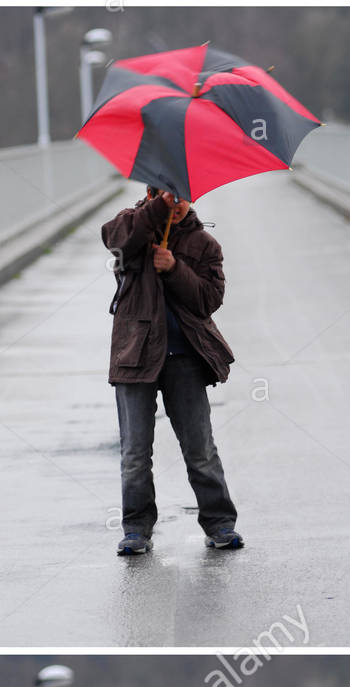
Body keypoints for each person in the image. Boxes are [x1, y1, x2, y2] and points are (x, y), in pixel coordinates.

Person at [101, 187, 242, 556]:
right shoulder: (130, 230)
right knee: (134, 452)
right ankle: (136, 529)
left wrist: (175, 269)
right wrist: (153, 214)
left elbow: (209, 300)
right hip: (136, 355)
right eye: (166, 195)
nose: (175, 204)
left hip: (184, 358)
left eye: (181, 197)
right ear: (150, 194)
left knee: (200, 449)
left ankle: (220, 523)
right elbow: (112, 238)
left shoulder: (203, 244)